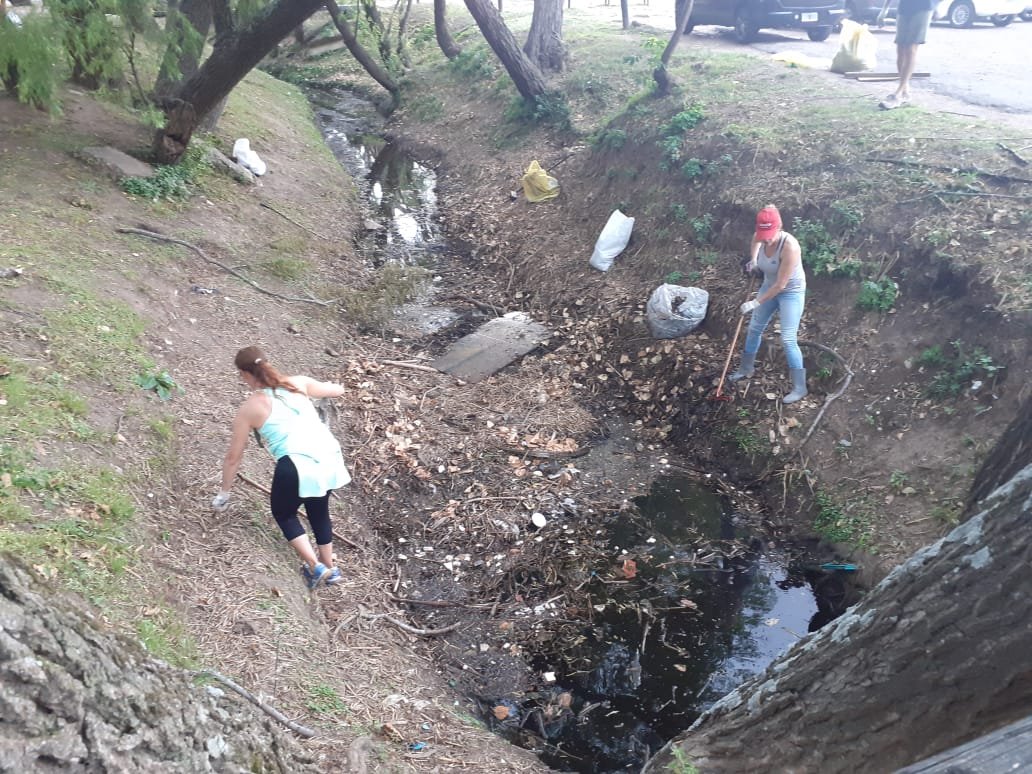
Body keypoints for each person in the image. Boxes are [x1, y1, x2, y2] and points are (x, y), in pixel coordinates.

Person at [213, 346, 351, 589]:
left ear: (245, 375)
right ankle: (331, 568)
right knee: (318, 509)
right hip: (328, 456)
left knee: (284, 513)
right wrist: (336, 385)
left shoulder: (251, 408)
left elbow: (233, 457)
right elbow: (336, 390)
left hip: (297, 464)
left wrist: (224, 492)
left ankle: (315, 567)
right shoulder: (298, 383)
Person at [729, 204, 808, 404]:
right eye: (764, 234)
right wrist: (753, 260)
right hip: (768, 286)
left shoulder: (790, 247)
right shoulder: (760, 235)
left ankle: (800, 388)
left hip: (790, 292)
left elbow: (781, 285)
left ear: (780, 227)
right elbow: (755, 243)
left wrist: (755, 302)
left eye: (771, 234)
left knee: (788, 339)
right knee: (754, 328)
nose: (767, 238)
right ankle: (746, 368)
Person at [877, 0, 935, 110]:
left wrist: (938, 5)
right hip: (904, 8)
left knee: (911, 48)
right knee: (900, 49)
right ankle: (905, 90)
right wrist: (884, 9)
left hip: (923, 7)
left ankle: (898, 94)